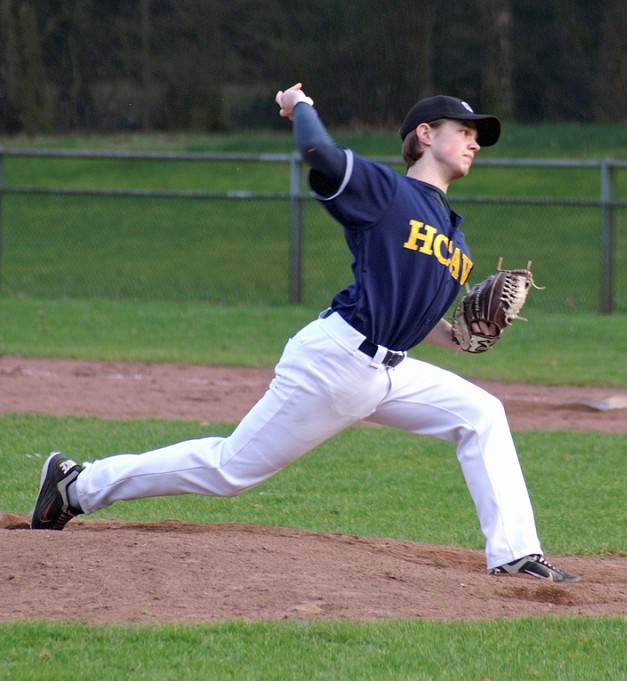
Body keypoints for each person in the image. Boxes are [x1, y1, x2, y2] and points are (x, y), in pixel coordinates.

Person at [31, 82, 579, 583]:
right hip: (335, 362)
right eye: (465, 131)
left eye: (478, 136)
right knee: (229, 470)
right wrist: (301, 107)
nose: (475, 142)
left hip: (389, 370)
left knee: (482, 414)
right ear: (426, 135)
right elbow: (319, 153)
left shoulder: (456, 239)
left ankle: (514, 554)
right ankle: (77, 486)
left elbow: (409, 314)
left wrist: (460, 337)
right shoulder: (385, 192)